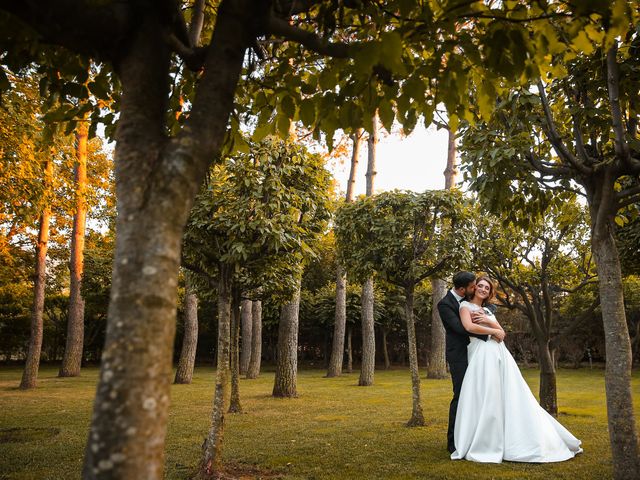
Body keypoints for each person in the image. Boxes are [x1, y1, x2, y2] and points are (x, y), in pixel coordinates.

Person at [451, 275, 582, 463]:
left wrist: (490, 324)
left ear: (490, 292)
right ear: (474, 288)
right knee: (485, 393)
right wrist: (493, 330)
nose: (482, 289)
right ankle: (483, 439)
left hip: (498, 352)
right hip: (481, 352)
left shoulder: (487, 310)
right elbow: (469, 326)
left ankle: (512, 436)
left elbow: (501, 333)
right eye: (480, 286)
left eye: (487, 288)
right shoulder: (465, 306)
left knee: (509, 393)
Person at [437, 271, 506, 454]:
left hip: (482, 354)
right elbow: (461, 328)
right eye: (474, 286)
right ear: (463, 289)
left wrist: (492, 325)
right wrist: (491, 332)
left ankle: (479, 435)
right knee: (461, 396)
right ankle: (454, 442)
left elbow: (500, 329)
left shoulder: (486, 306)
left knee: (482, 394)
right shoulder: (445, 304)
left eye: (481, 285)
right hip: (460, 355)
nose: (477, 287)